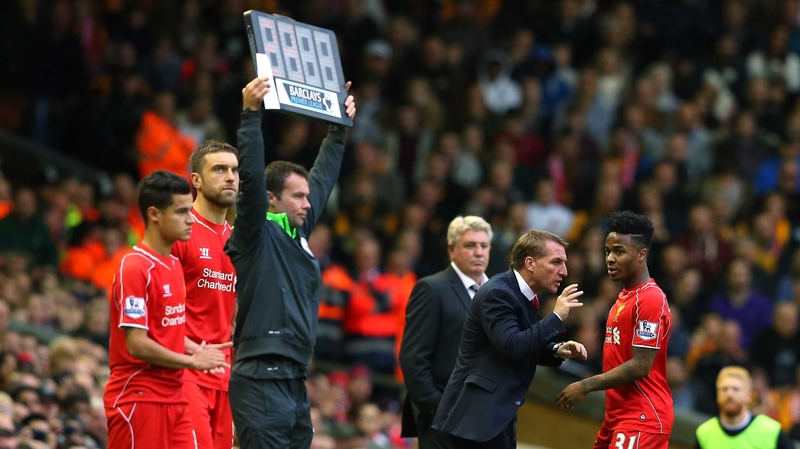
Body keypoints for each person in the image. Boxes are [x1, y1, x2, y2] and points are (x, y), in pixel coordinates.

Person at [226, 77, 356, 448]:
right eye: (297, 196)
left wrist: (338, 129)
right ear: (271, 199)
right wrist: (251, 116)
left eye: (306, 196)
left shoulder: (297, 233)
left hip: (294, 379)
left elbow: (323, 179)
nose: (307, 203)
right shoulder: (254, 233)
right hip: (260, 378)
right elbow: (251, 180)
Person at [103, 170, 230, 449]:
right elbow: (137, 344)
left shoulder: (173, 264)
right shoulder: (134, 267)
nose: (190, 219)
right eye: (181, 212)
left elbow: (165, 332)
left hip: (174, 396)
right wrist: (192, 362)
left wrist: (197, 349)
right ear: (154, 214)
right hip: (140, 396)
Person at [432, 229, 587, 448]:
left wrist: (556, 349)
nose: (564, 271)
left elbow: (523, 341)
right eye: (556, 262)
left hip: (493, 416)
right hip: (474, 420)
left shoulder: (522, 294)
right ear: (530, 263)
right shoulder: (498, 293)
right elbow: (512, 346)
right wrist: (556, 317)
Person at [556, 211, 673, 449]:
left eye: (619, 251)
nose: (610, 258)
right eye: (607, 251)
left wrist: (585, 385)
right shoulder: (624, 297)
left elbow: (641, 365)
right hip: (617, 415)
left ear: (641, 254)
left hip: (643, 415)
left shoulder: (650, 298)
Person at [400, 215, 493, 449]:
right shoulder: (432, 288)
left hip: (488, 417)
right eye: (470, 245)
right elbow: (413, 357)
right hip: (442, 417)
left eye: (484, 246)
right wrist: (436, 406)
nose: (478, 252)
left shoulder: (498, 293)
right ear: (452, 250)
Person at [171, 140, 238, 449]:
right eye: (219, 170)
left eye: (234, 170)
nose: (230, 177)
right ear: (196, 180)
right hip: (185, 371)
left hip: (224, 379)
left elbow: (235, 314)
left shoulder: (238, 242)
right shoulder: (180, 232)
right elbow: (156, 306)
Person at [695, 366, 793, 449]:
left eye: (736, 389)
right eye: (724, 389)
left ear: (748, 395)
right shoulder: (704, 433)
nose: (729, 394)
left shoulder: (772, 432)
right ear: (717, 394)